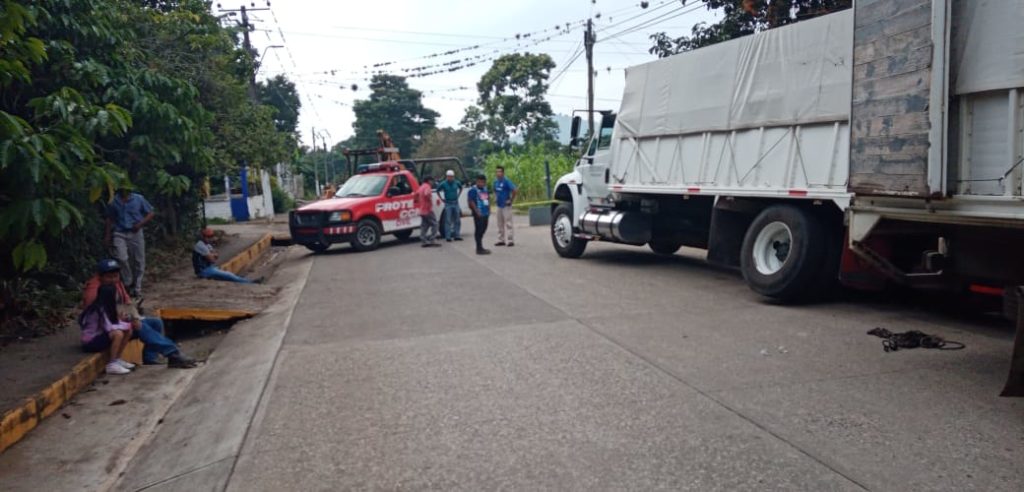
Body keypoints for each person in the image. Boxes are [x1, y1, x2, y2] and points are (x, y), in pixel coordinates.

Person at [83, 259, 198, 368]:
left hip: (119, 321)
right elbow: (102, 314)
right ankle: (172, 352)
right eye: (109, 277)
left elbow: (128, 303)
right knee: (140, 327)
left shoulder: (117, 284)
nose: (113, 279)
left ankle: (150, 358)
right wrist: (129, 321)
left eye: (115, 276)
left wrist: (135, 317)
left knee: (155, 322)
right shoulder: (95, 289)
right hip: (105, 329)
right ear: (100, 276)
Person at [105, 186, 155, 297]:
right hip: (119, 232)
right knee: (121, 257)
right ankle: (128, 281)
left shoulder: (139, 199)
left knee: (138, 260)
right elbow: (109, 218)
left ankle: (137, 287)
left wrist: (140, 224)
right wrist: (107, 236)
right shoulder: (114, 201)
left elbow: (150, 213)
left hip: (135, 232)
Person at [79, 284, 135, 375]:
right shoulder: (98, 309)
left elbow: (114, 322)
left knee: (128, 331)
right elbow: (109, 327)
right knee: (118, 334)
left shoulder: (108, 308)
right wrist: (127, 325)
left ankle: (117, 358)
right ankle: (112, 364)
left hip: (100, 335)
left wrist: (126, 323)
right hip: (90, 341)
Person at [492, 166, 518, 247]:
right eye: (497, 172)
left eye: (500, 172)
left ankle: (510, 240)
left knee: (508, 223)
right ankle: (501, 240)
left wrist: (511, 200)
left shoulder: (506, 181)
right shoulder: (495, 182)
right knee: (499, 223)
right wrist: (495, 197)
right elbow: (494, 190)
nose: (498, 173)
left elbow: (514, 190)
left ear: (503, 173)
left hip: (506, 205)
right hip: (499, 205)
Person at [467, 174, 492, 255]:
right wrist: (476, 211)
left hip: (485, 213)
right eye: (479, 182)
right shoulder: (473, 190)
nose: (481, 183)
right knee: (478, 230)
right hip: (478, 213)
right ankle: (479, 248)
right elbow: (471, 201)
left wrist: (489, 209)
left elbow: (487, 199)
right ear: (477, 181)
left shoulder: (485, 189)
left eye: (483, 182)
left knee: (483, 229)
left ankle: (480, 245)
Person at [436, 170, 463, 242]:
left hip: (455, 202)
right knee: (448, 220)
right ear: (447, 177)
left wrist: (458, 195)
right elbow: (437, 190)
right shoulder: (444, 184)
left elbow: (461, 188)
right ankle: (448, 236)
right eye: (449, 177)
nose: (450, 178)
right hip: (448, 203)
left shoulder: (456, 182)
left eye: (451, 177)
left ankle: (457, 235)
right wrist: (441, 199)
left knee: (457, 219)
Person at [417, 176, 440, 247]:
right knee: (435, 224)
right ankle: (432, 239)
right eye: (432, 181)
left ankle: (423, 240)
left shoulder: (421, 187)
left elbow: (416, 194)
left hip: (421, 209)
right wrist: (430, 200)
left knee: (424, 225)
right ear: (429, 181)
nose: (432, 182)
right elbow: (427, 194)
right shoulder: (427, 187)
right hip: (427, 209)